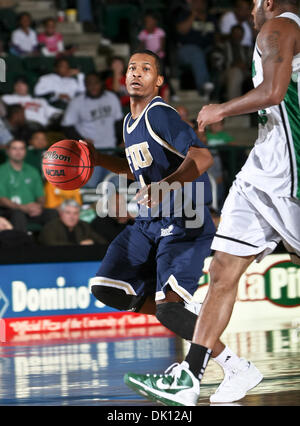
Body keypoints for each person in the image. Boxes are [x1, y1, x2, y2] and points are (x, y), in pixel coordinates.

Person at [125, 0, 300, 406]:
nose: (251, 9)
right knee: (222, 270)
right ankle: (191, 375)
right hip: (261, 167)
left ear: (269, 2)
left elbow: (273, 92)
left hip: (290, 172)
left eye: (255, 2)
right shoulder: (277, 32)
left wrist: (222, 108)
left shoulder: (277, 28)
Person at [86, 49, 259, 402]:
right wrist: (98, 159)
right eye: (132, 67)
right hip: (150, 222)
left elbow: (203, 156)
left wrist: (166, 186)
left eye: (146, 68)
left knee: (168, 310)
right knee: (108, 288)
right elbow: (137, 168)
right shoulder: (129, 121)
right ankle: (188, 315)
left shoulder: (159, 114)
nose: (136, 73)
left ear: (158, 81)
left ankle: (232, 363)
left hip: (184, 222)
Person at [62, 72, 123, 187]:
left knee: (115, 190)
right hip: (89, 155)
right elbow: (67, 127)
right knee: (90, 189)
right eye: (89, 84)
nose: (93, 86)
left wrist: (122, 140)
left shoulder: (111, 97)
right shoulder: (77, 102)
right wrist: (81, 140)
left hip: (111, 152)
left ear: (101, 84)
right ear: (85, 86)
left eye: (96, 83)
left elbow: (119, 122)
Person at [0, 139, 57, 232]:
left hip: (32, 211)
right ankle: (22, 245)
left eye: (21, 149)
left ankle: (54, 245)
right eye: (14, 148)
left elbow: (41, 196)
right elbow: (2, 200)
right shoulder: (1, 171)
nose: (18, 152)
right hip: (10, 211)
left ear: (25, 152)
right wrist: (23, 208)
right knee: (18, 214)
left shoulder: (33, 171)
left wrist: (38, 206)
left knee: (52, 213)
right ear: (8, 151)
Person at [170, 0, 216, 96]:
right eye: (196, 2)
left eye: (202, 2)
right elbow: (182, 30)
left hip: (207, 50)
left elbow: (217, 37)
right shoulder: (185, 15)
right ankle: (203, 86)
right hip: (186, 50)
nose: (199, 4)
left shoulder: (211, 18)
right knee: (196, 53)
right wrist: (193, 15)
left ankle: (216, 93)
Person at [38, 199, 106, 246]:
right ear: (61, 213)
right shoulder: (50, 227)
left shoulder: (84, 225)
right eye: (68, 213)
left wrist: (93, 242)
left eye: (75, 213)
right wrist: (79, 245)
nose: (72, 217)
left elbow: (102, 241)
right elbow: (51, 244)